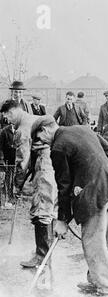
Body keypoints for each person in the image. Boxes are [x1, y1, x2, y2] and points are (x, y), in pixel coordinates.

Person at [30, 115, 108, 297]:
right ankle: (96, 280)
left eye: (40, 139)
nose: (43, 144)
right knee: (103, 240)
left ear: (46, 129)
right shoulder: (82, 128)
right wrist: (98, 176)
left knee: (93, 242)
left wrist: (62, 220)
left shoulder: (58, 147)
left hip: (95, 196)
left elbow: (63, 186)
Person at [0, 100, 57, 268]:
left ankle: (42, 257)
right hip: (53, 166)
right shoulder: (34, 118)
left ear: (13, 111)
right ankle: (45, 253)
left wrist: (16, 188)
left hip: (45, 168)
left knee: (41, 209)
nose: (7, 119)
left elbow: (22, 163)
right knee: (49, 209)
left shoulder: (22, 129)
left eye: (7, 115)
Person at [0, 123, 16, 206]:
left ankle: (12, 196)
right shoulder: (5, 131)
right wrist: (2, 159)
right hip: (7, 159)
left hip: (15, 159)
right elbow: (1, 146)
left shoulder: (19, 130)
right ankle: (5, 197)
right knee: (6, 178)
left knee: (13, 178)